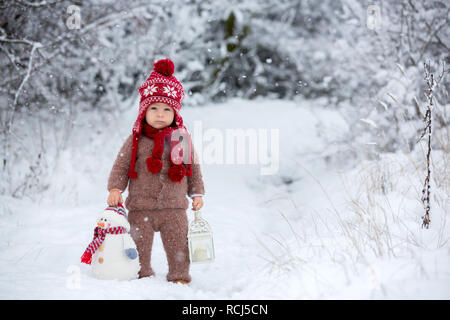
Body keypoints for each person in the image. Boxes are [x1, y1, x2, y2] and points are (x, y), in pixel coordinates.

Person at [106, 58, 205, 284]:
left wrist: (197, 193)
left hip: (174, 207)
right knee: (138, 243)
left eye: (166, 109)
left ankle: (179, 274)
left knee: (178, 244)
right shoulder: (136, 140)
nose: (160, 114)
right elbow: (121, 164)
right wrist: (115, 188)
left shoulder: (181, 139)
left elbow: (193, 168)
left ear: (175, 112)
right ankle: (140, 271)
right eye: (154, 108)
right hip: (141, 206)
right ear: (144, 110)